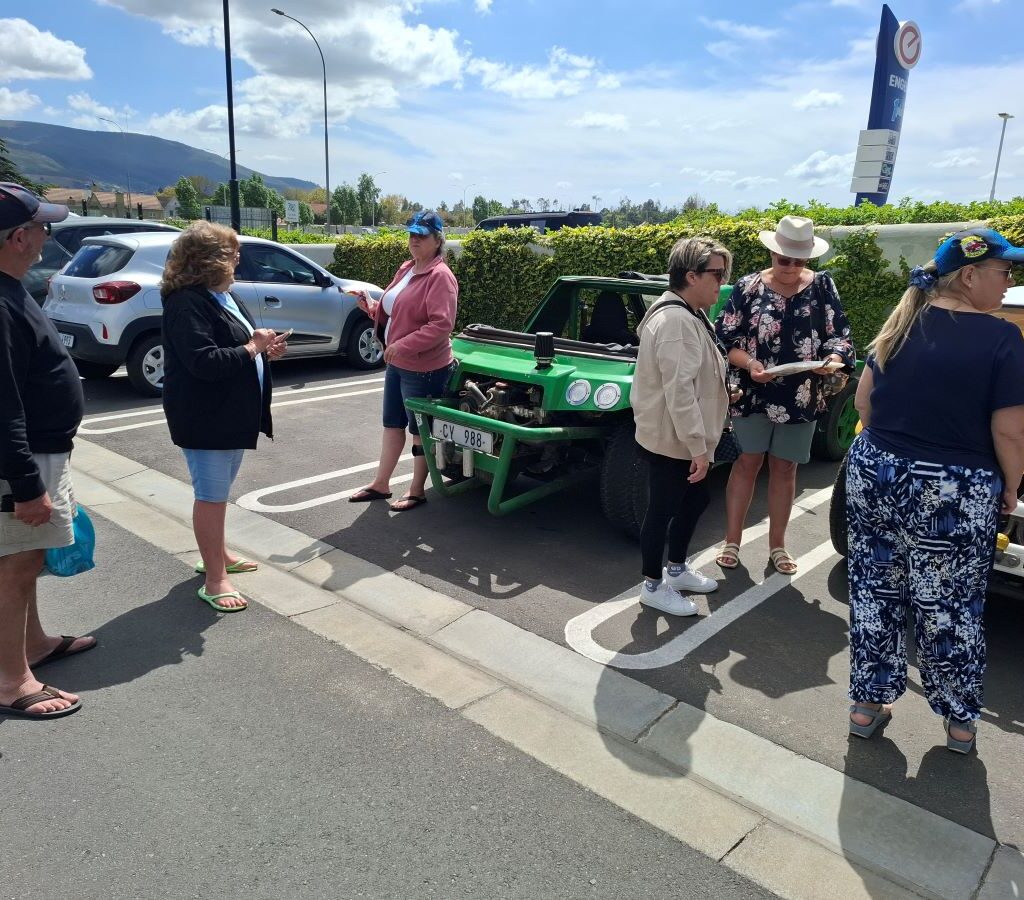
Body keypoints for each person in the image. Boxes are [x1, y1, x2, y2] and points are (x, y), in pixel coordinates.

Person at [845, 228, 1024, 753]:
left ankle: (866, 705)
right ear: (969, 276)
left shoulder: (901, 324)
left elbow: (863, 404)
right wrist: (1012, 486)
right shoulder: (1001, 339)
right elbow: (1010, 431)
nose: (1010, 281)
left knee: (875, 589)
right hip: (953, 487)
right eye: (1004, 271)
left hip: (877, 469)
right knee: (948, 603)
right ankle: (960, 722)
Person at [715, 215, 855, 574]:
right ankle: (732, 539)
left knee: (785, 468)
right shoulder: (748, 287)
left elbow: (840, 336)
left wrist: (834, 359)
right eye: (784, 259)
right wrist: (749, 364)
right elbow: (724, 338)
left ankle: (777, 545)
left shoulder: (824, 286)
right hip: (752, 392)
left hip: (802, 393)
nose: (791, 266)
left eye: (799, 260)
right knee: (746, 463)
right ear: (773, 253)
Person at [161, 221, 287, 613]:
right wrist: (253, 347)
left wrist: (264, 350)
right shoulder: (186, 303)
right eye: (232, 254)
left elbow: (236, 344)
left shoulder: (219, 295)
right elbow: (204, 363)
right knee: (211, 497)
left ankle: (219, 556)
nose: (237, 260)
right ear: (209, 261)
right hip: (205, 418)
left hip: (227, 416)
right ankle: (215, 578)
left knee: (218, 495)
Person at [0, 183, 91, 719]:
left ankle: (32, 644)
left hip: (41, 453)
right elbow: (3, 407)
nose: (45, 236)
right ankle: (13, 680)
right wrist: (28, 487)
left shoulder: (12, 289)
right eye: (41, 227)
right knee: (15, 564)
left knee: (26, 562)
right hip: (25, 462)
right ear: (17, 237)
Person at [630, 237, 732, 616]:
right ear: (691, 275)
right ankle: (652, 585)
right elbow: (679, 392)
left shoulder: (687, 312)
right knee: (663, 509)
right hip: (674, 439)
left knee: (695, 500)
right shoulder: (676, 319)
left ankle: (674, 570)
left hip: (681, 437)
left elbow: (694, 379)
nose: (722, 281)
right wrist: (698, 449)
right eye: (717, 274)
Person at [348, 210, 458, 512]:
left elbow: (441, 325)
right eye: (411, 234)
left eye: (422, 235)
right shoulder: (408, 268)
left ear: (438, 240)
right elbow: (399, 311)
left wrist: (403, 344)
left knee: (419, 430)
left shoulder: (440, 277)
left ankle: (416, 490)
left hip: (424, 366)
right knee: (392, 424)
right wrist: (372, 308)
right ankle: (381, 484)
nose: (414, 240)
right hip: (398, 361)